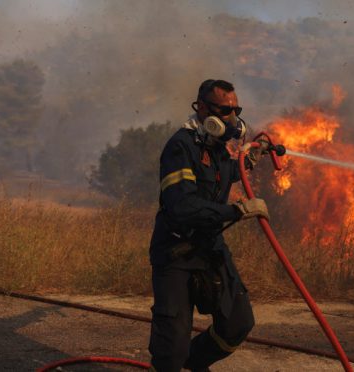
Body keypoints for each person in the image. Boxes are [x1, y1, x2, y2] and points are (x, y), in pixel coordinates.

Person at [148, 79, 269, 372]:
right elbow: (182, 206)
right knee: (171, 348)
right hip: (176, 252)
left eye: (235, 110)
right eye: (224, 110)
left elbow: (222, 173)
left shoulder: (215, 146)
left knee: (238, 323)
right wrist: (235, 210)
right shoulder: (180, 146)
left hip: (211, 247)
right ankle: (175, 363)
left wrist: (248, 161)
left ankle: (194, 363)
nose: (232, 118)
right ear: (202, 108)